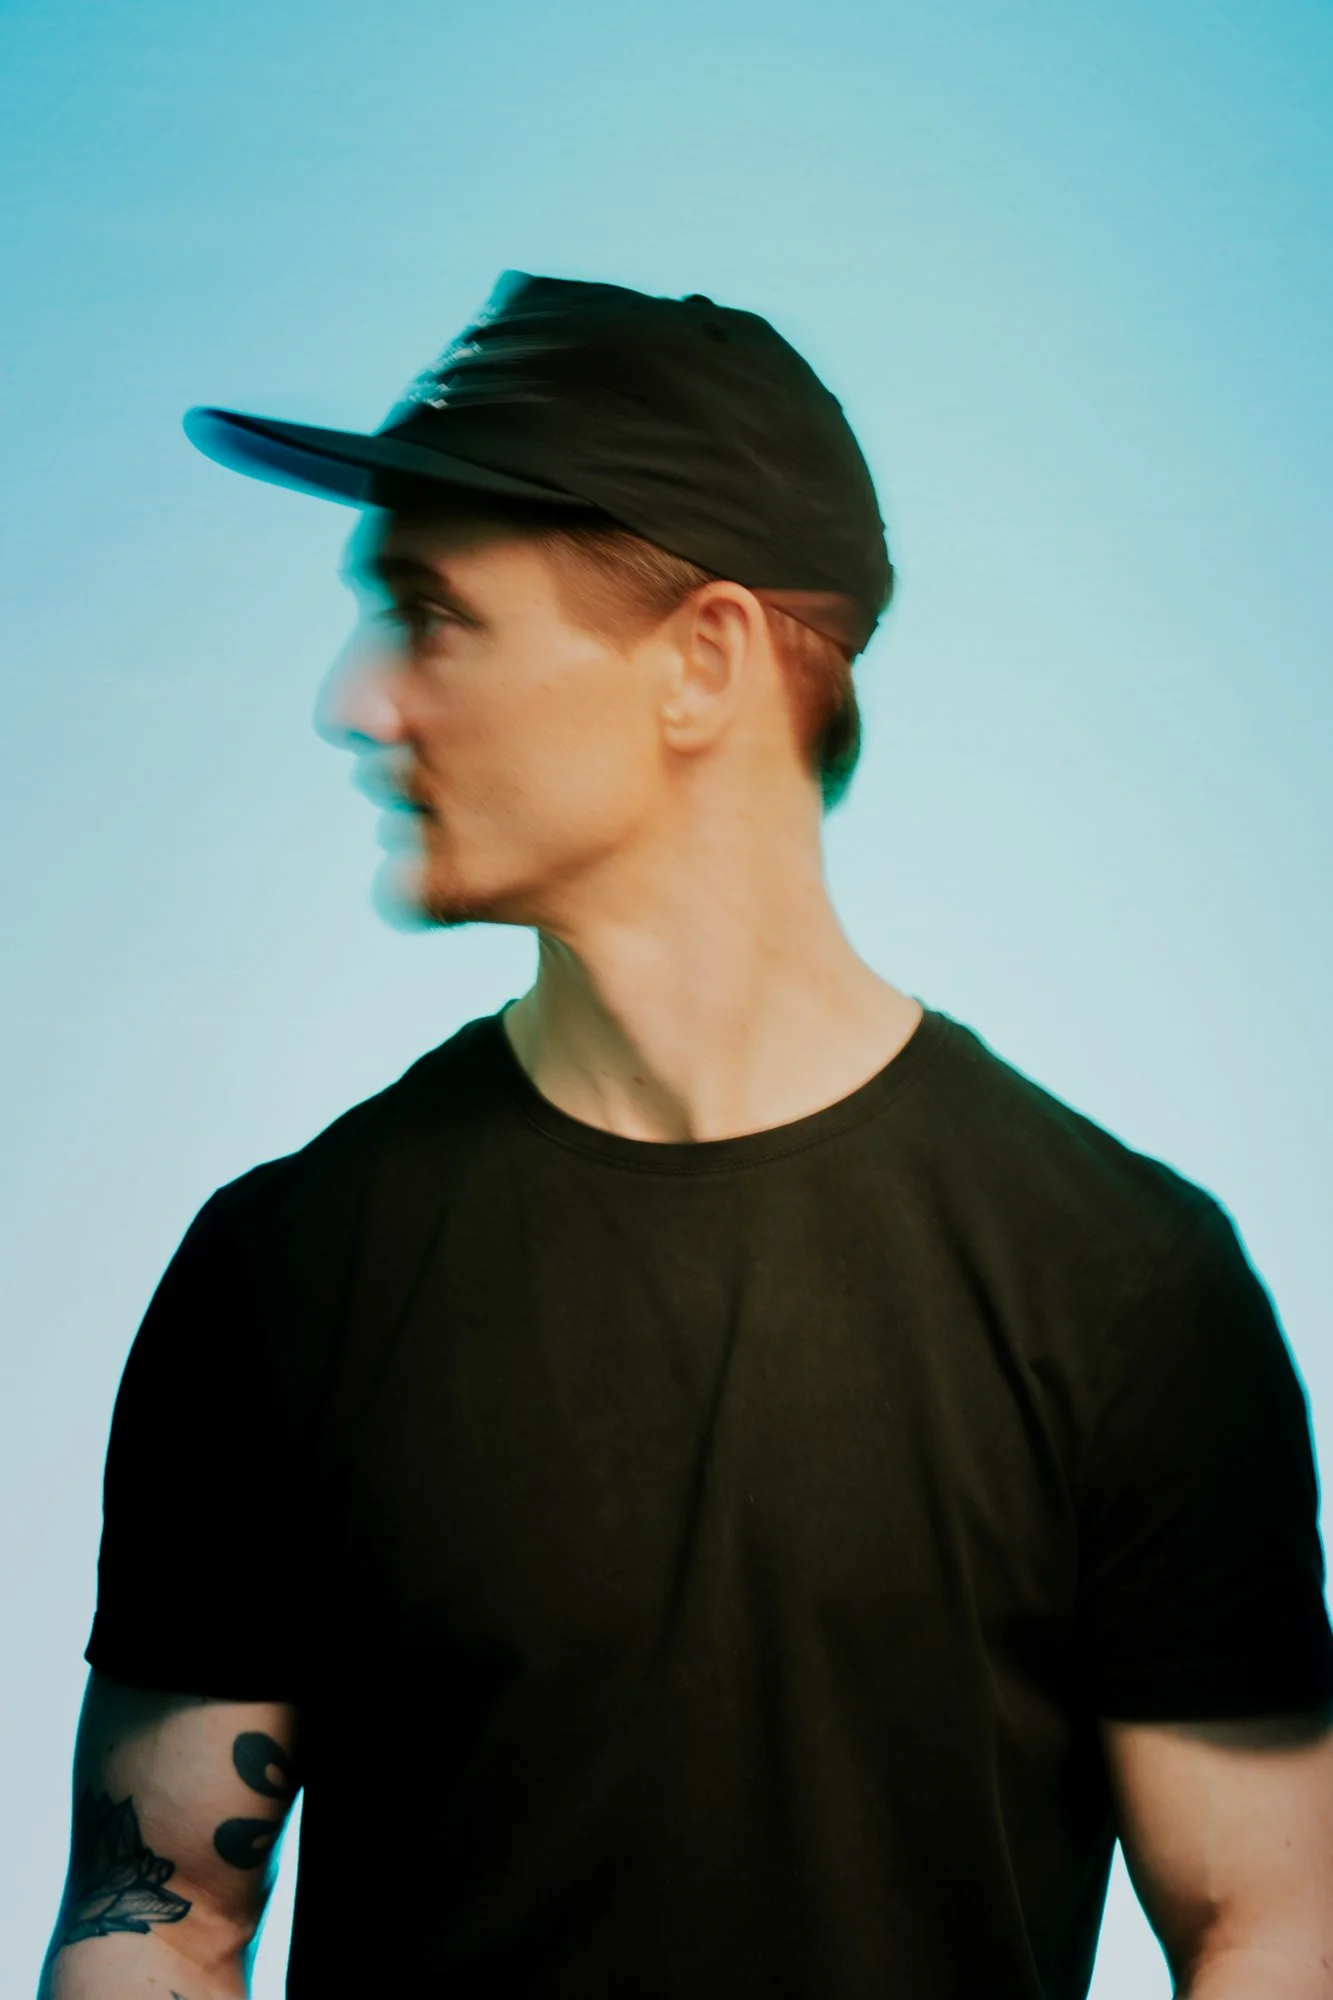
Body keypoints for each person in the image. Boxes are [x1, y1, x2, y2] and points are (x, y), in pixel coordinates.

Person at [40, 272, 1333, 2000]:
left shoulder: (1126, 1291)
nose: (356, 700)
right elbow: (158, 1920)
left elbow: (1273, 1925)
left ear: (704, 661)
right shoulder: (285, 1273)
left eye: (432, 614)